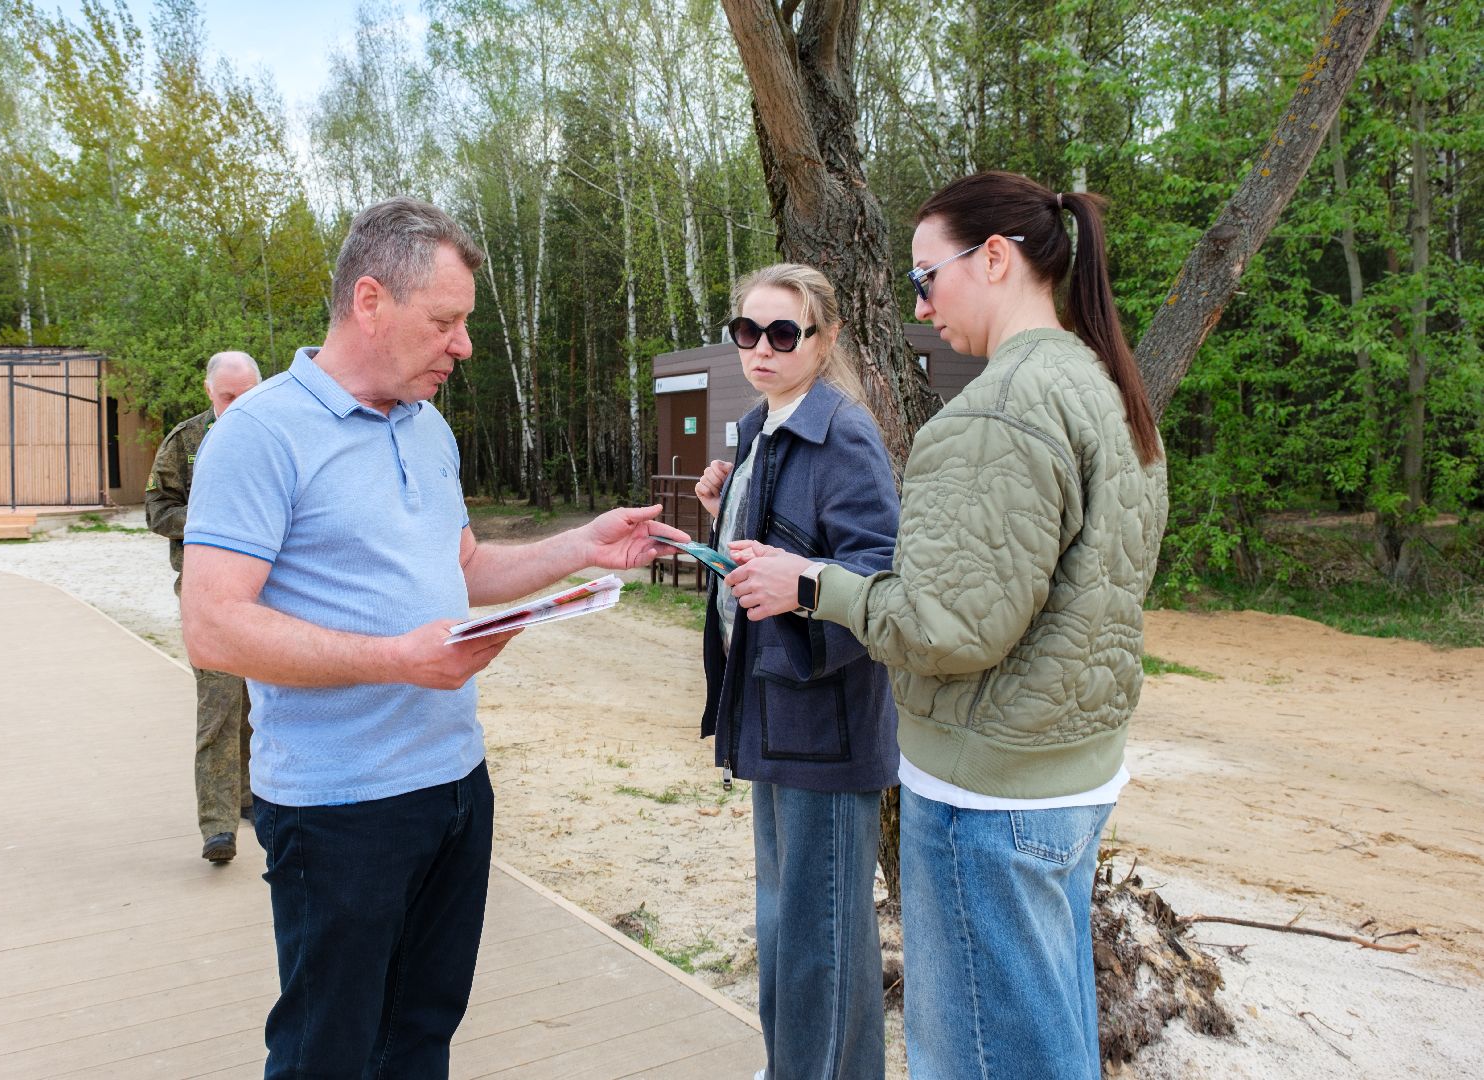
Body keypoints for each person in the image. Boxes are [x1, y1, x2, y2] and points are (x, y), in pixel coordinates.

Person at [177, 196, 686, 1079]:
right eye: (445, 322)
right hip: (338, 809)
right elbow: (213, 627)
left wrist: (582, 547)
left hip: (454, 788)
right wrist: (397, 660)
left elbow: (463, 567)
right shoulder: (257, 435)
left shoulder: (428, 423)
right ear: (370, 302)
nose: (465, 346)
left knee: (420, 1040)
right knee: (327, 1053)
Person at [723, 172, 1169, 1080]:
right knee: (1048, 1049)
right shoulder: (1100, 385)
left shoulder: (997, 411)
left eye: (927, 279)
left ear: (995, 258)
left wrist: (814, 586)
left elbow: (944, 629)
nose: (921, 308)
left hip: (986, 797)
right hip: (1070, 777)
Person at [692, 264, 899, 1080]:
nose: (762, 348)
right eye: (748, 331)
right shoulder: (762, 427)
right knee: (789, 926)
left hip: (825, 725)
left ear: (826, 337)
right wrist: (726, 517)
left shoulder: (842, 431)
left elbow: (881, 576)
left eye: (784, 333)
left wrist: (802, 588)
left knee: (821, 939)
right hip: (772, 717)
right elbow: (778, 550)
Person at [145, 350, 262, 863]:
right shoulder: (186, 441)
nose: (237, 406)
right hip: (207, 592)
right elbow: (158, 511)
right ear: (208, 391)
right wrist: (212, 523)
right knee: (219, 704)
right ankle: (218, 827)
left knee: (260, 702)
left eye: (247, 395)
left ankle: (251, 797)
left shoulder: (276, 435)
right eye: (227, 397)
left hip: (269, 592)